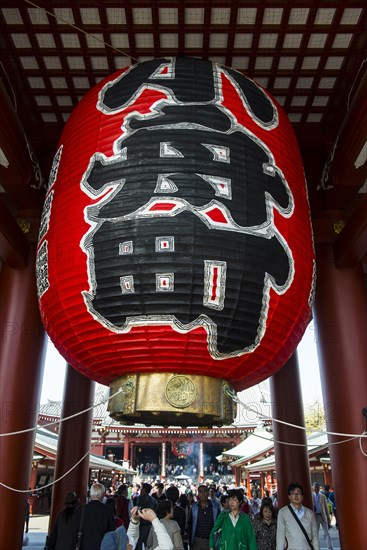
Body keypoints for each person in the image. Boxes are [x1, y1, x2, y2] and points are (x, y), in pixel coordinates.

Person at [70, 483, 115, 550]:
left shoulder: (80, 510)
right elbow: (111, 533)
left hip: (83, 546)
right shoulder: (108, 511)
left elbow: (73, 532)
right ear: (103, 495)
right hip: (101, 547)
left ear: (90, 494)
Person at [276, 482, 319, 550]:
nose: (296, 496)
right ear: (289, 496)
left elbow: (315, 537)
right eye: (293, 493)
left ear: (302, 496)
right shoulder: (283, 513)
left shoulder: (310, 513)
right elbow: (280, 537)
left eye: (298, 493)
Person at [189, 485, 220, 549]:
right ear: (198, 493)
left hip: (211, 540)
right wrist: (191, 541)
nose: (203, 494)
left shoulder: (215, 507)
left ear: (208, 492)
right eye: (200, 492)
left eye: (205, 491)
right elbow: (190, 525)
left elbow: (219, 524)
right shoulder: (194, 507)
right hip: (198, 540)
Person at [132, 482, 157, 550]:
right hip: (150, 524)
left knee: (138, 542)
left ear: (144, 489)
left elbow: (137, 510)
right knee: (148, 543)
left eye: (142, 488)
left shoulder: (139, 498)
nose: (140, 489)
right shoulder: (153, 500)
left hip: (140, 524)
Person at [312, 482, 333, 550]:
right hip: (316, 517)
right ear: (313, 488)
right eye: (315, 487)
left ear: (319, 488)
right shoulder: (311, 496)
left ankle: (330, 547)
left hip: (323, 515)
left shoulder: (323, 496)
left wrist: (328, 518)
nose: (316, 489)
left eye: (317, 487)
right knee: (316, 533)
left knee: (327, 533)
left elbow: (326, 508)